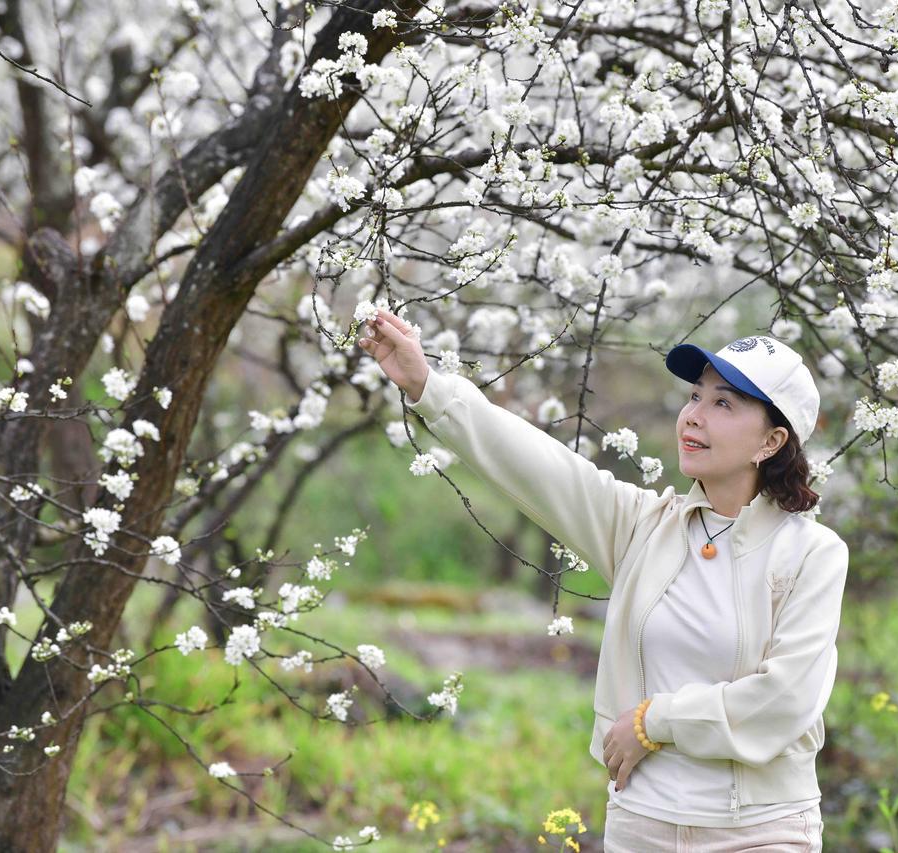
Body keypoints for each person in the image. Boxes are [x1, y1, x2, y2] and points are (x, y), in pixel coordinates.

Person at [358, 309, 848, 852]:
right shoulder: (643, 528)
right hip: (642, 825)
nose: (693, 417)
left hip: (761, 830)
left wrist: (653, 721)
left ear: (771, 441)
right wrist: (429, 387)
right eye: (695, 397)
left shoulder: (813, 555)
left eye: (723, 404)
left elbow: (785, 699)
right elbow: (539, 466)